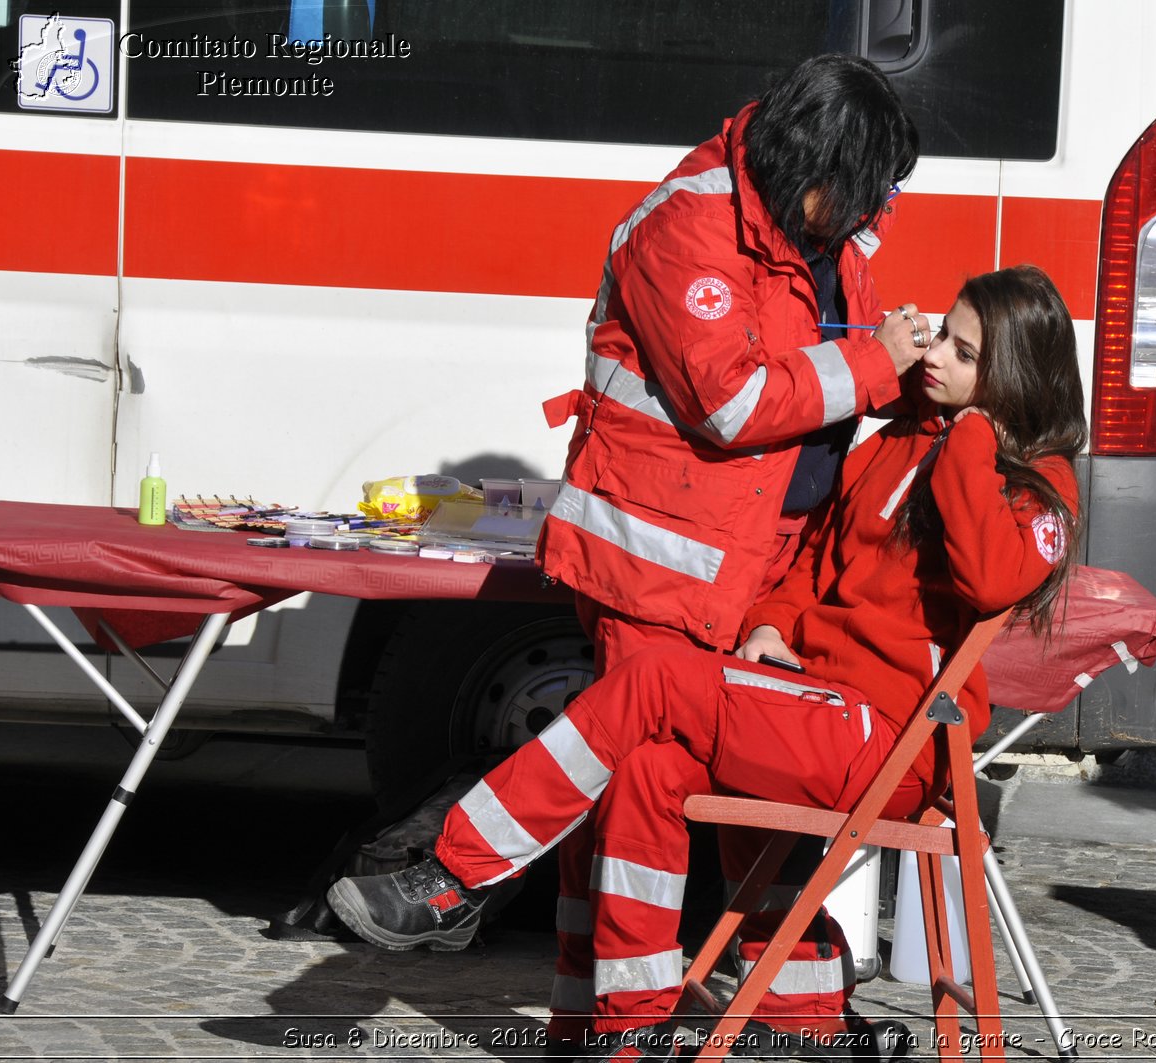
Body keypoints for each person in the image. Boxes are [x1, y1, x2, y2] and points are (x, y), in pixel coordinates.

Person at [328, 264, 1087, 1055]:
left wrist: (969, 438)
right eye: (943, 333)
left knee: (654, 679)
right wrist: (771, 622)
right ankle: (637, 1028)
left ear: (1011, 378)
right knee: (648, 766)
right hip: (814, 702)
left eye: (965, 355)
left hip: (894, 737)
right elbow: (814, 560)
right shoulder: (901, 440)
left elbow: (992, 574)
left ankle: (457, 872)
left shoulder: (1040, 483)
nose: (934, 359)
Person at [531, 52, 924, 1048]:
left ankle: (794, 1027)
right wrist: (881, 364)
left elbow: (825, 365)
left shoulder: (820, 223)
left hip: (759, 566)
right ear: (811, 174)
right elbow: (735, 402)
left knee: (756, 793)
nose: (871, 216)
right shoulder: (689, 225)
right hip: (660, 570)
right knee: (637, 795)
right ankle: (613, 1025)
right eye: (863, 193)